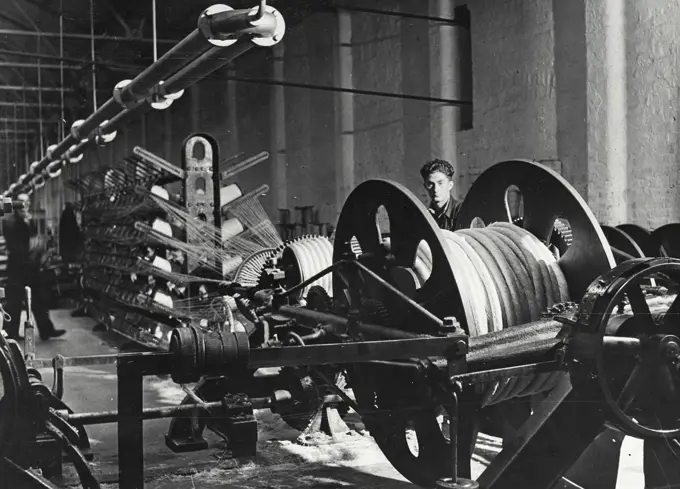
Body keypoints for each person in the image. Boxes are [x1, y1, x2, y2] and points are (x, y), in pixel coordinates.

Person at [3, 193, 65, 341]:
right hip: (17, 268)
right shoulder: (9, 221)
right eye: (23, 203)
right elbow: (15, 245)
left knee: (39, 299)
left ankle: (46, 330)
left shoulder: (27, 220)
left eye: (28, 202)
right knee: (13, 302)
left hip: (31, 267)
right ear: (16, 205)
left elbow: (33, 239)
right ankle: (9, 334)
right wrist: (32, 247)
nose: (26, 205)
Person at [420, 159, 462, 231]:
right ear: (425, 186)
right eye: (430, 184)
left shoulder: (462, 211)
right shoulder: (425, 215)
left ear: (450, 185)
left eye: (440, 183)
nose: (435, 189)